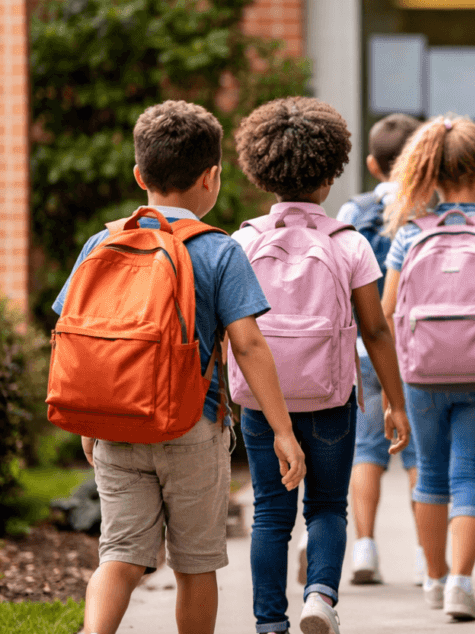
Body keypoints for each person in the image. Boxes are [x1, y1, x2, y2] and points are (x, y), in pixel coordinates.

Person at [51, 100, 307, 634]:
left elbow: (74, 336)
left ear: (139, 174)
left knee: (119, 557)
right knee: (196, 565)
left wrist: (85, 418)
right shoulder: (218, 251)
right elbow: (249, 346)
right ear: (211, 178)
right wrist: (282, 429)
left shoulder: (102, 243)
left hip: (116, 427)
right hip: (193, 425)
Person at [233, 97, 411, 634]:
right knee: (329, 507)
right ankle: (320, 599)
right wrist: (396, 401)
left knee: (270, 514)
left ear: (262, 171)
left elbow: (233, 336)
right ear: (332, 173)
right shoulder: (348, 244)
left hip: (263, 403)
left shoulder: (243, 241)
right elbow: (376, 328)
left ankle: (269, 623)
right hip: (331, 400)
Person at [381, 116, 475, 621]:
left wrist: (389, 389)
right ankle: (462, 585)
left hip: (421, 375)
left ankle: (435, 578)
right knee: (470, 475)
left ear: (431, 174)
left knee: (430, 476)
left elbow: (387, 311)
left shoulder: (408, 236)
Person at [336, 114, 424, 587]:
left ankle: (364, 548)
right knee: (417, 457)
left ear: (372, 163)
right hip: (419, 352)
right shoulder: (428, 212)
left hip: (365, 348)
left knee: (367, 451)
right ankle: (422, 555)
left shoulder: (353, 212)